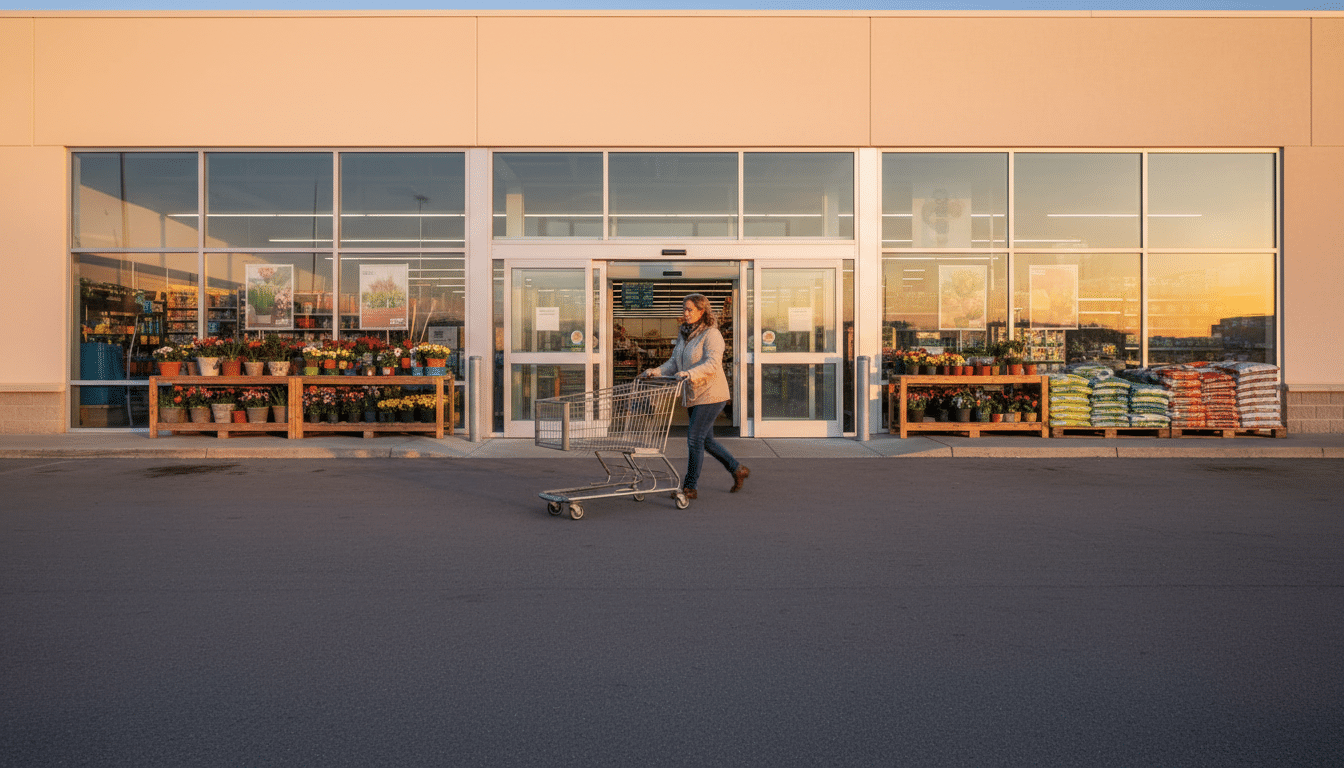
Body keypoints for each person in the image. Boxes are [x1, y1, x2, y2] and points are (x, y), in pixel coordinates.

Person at [641, 294, 749, 500]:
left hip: (711, 393)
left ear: (702, 311)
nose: (686, 313)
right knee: (705, 440)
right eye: (684, 309)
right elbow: (674, 363)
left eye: (690, 309)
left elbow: (712, 363)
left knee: (694, 439)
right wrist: (656, 370)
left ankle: (689, 487)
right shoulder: (684, 335)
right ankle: (737, 469)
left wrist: (690, 373)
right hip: (693, 393)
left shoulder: (712, 334)